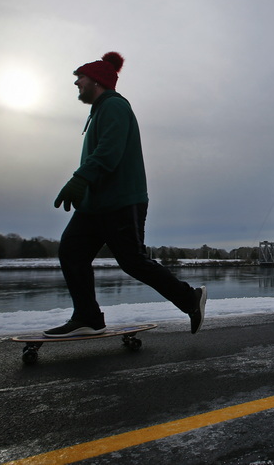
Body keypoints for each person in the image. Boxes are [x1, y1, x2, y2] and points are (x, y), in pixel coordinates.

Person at [44, 51, 206, 337]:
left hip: (121, 200)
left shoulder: (115, 106)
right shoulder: (99, 111)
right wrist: (85, 188)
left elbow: (109, 151)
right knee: (71, 251)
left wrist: (79, 179)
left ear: (96, 81)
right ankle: (87, 317)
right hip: (95, 205)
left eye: (80, 77)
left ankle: (189, 298)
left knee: (132, 261)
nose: (76, 83)